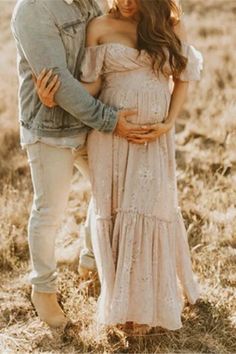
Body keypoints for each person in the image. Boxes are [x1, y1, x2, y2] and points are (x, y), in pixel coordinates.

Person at [35, 0, 203, 334]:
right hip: (110, 138)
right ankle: (121, 305)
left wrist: (169, 122)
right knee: (115, 212)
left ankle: (144, 305)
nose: (125, 2)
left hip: (154, 139)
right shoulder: (99, 27)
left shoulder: (168, 24)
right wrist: (53, 98)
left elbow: (184, 74)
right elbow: (92, 88)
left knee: (148, 209)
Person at [11, 0, 154, 329]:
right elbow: (57, 81)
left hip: (90, 126)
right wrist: (108, 119)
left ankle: (91, 263)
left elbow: (101, 58)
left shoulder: (91, 2)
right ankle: (43, 289)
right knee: (50, 211)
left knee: (107, 197)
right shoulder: (33, 9)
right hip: (51, 129)